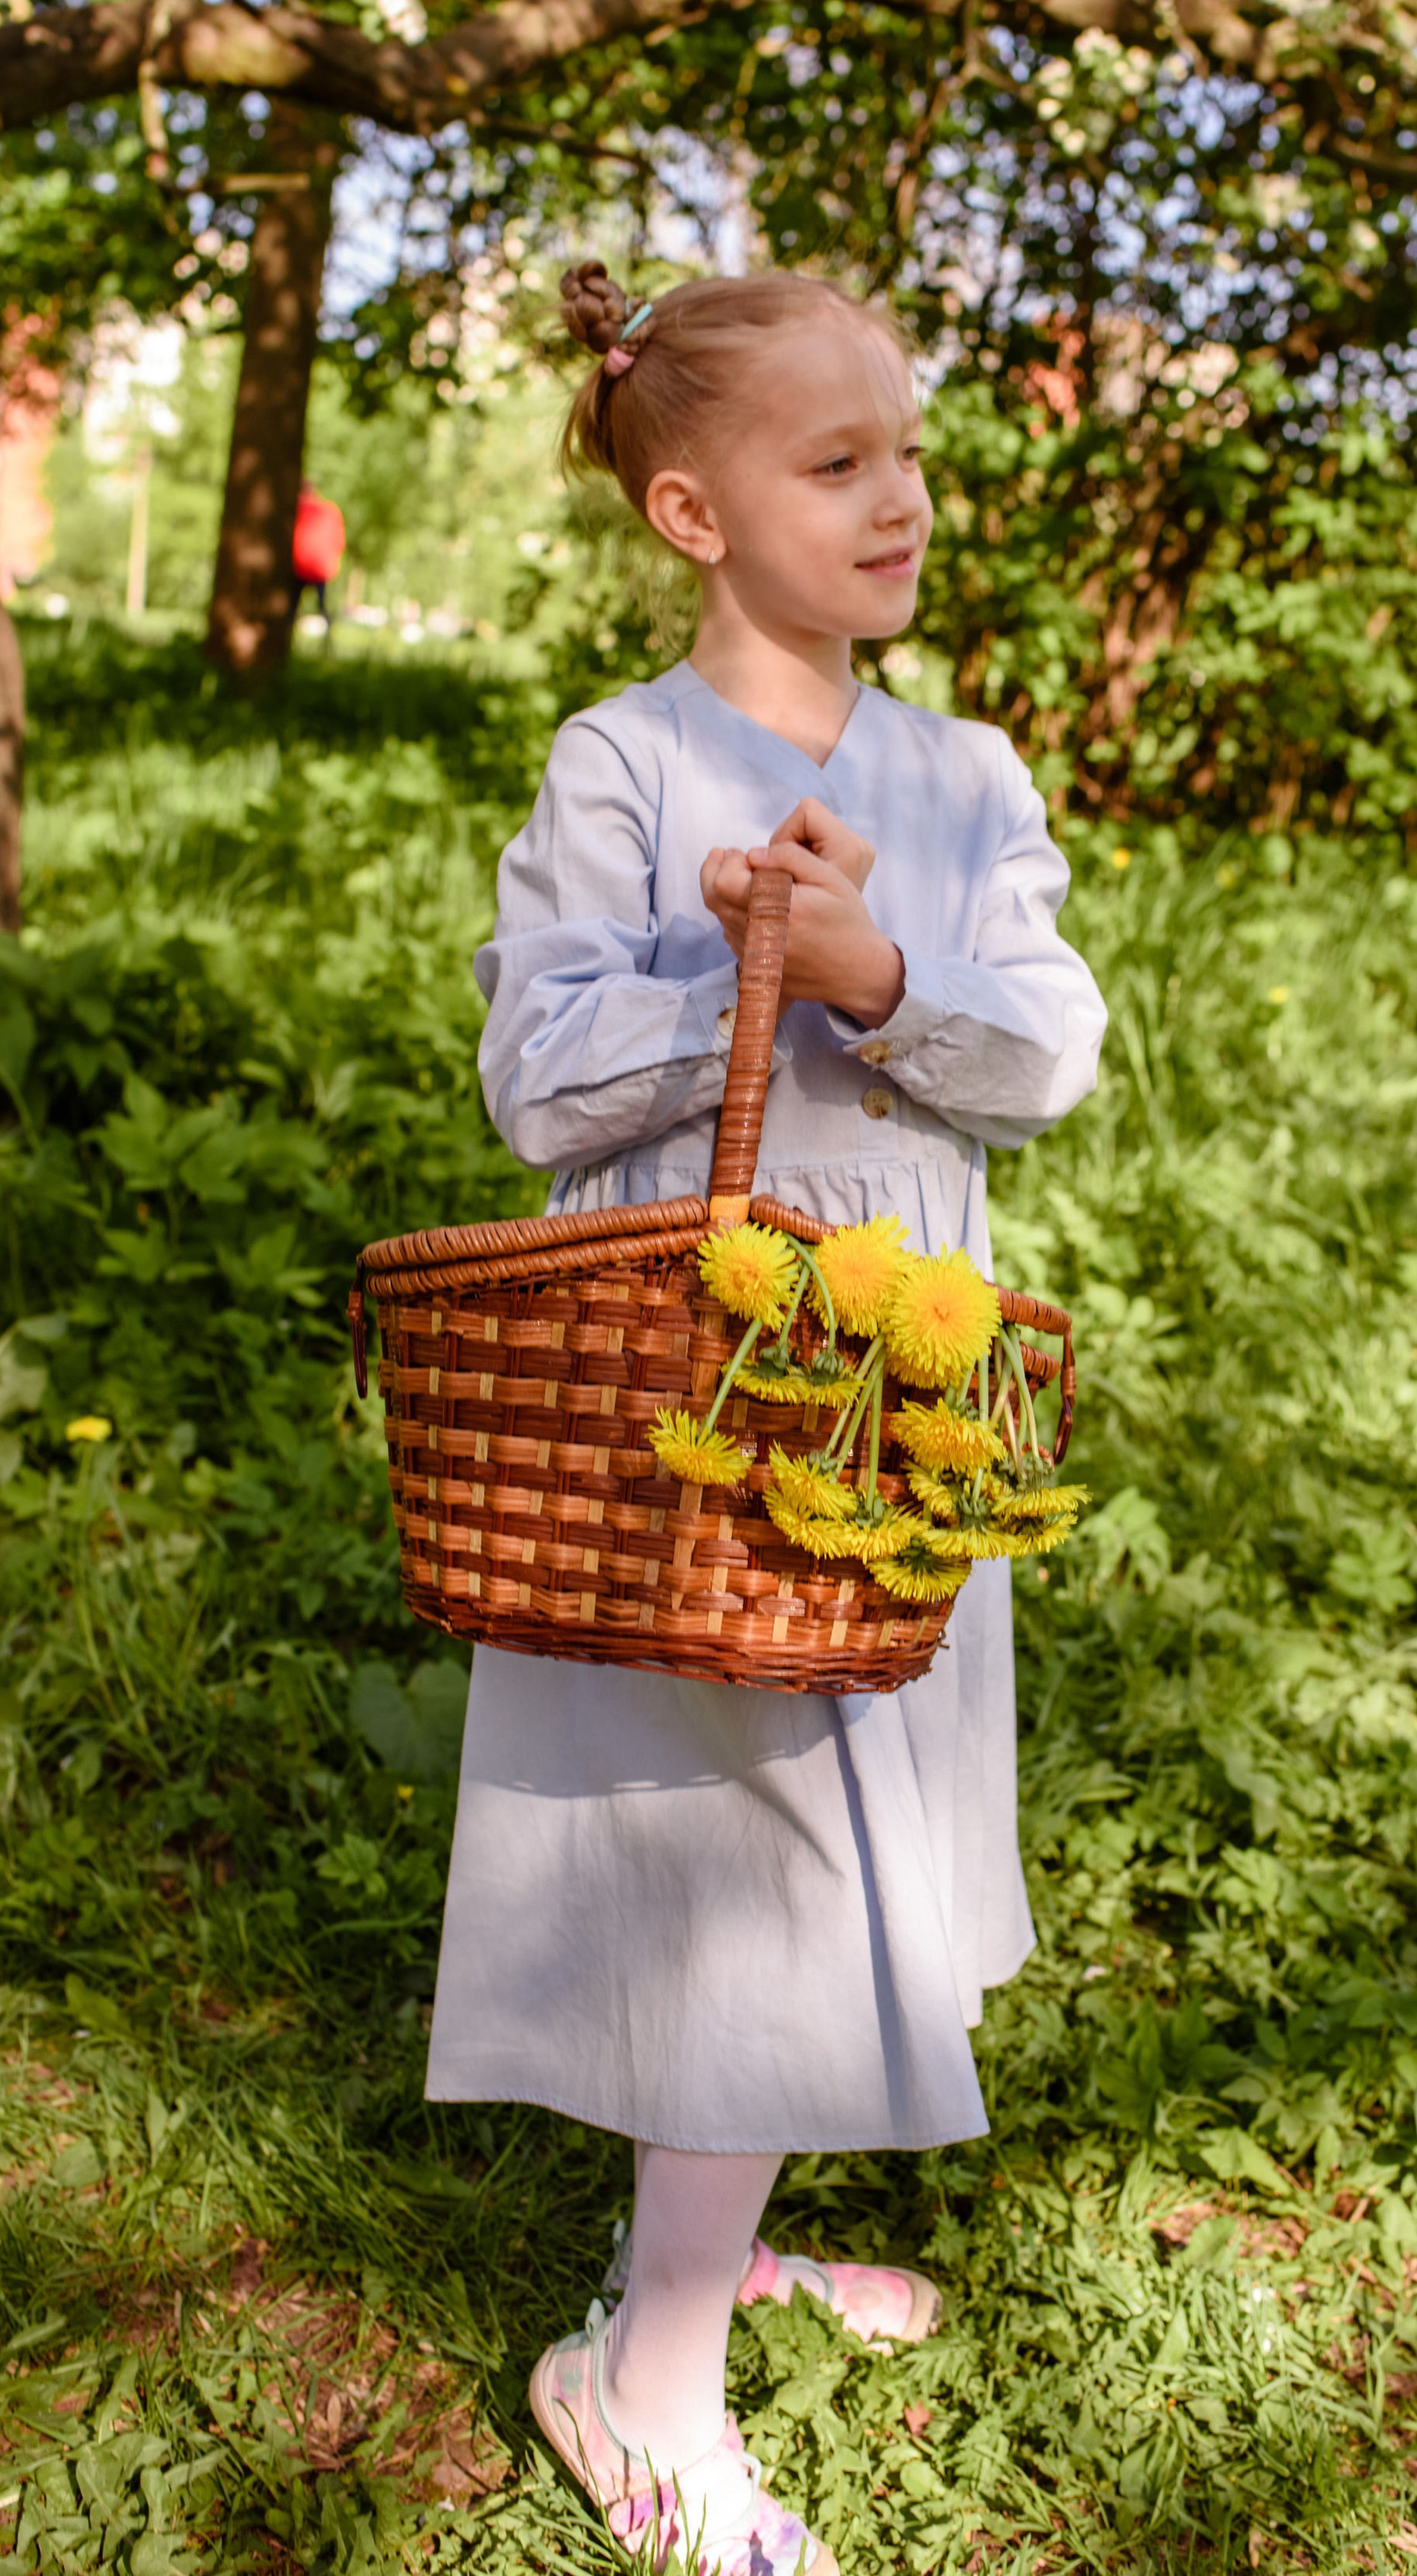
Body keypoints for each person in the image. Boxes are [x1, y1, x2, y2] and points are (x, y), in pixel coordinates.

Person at [428, 261, 1107, 2574]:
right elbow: (535, 1078)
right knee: (752, 1865)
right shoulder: (623, 765)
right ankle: (644, 2397)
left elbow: (1041, 1052)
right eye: (839, 467)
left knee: (859, 1838)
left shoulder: (962, 776)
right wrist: (732, 952)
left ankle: (688, 2265)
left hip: (884, 1386)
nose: (898, 497)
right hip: (693, 1395)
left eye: (906, 451)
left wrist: (878, 975)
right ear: (696, 513)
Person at [291, 479, 345, 619]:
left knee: (292, 608)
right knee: (322, 607)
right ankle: (328, 636)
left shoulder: (297, 509)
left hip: (301, 567)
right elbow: (339, 543)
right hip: (320, 569)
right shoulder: (331, 510)